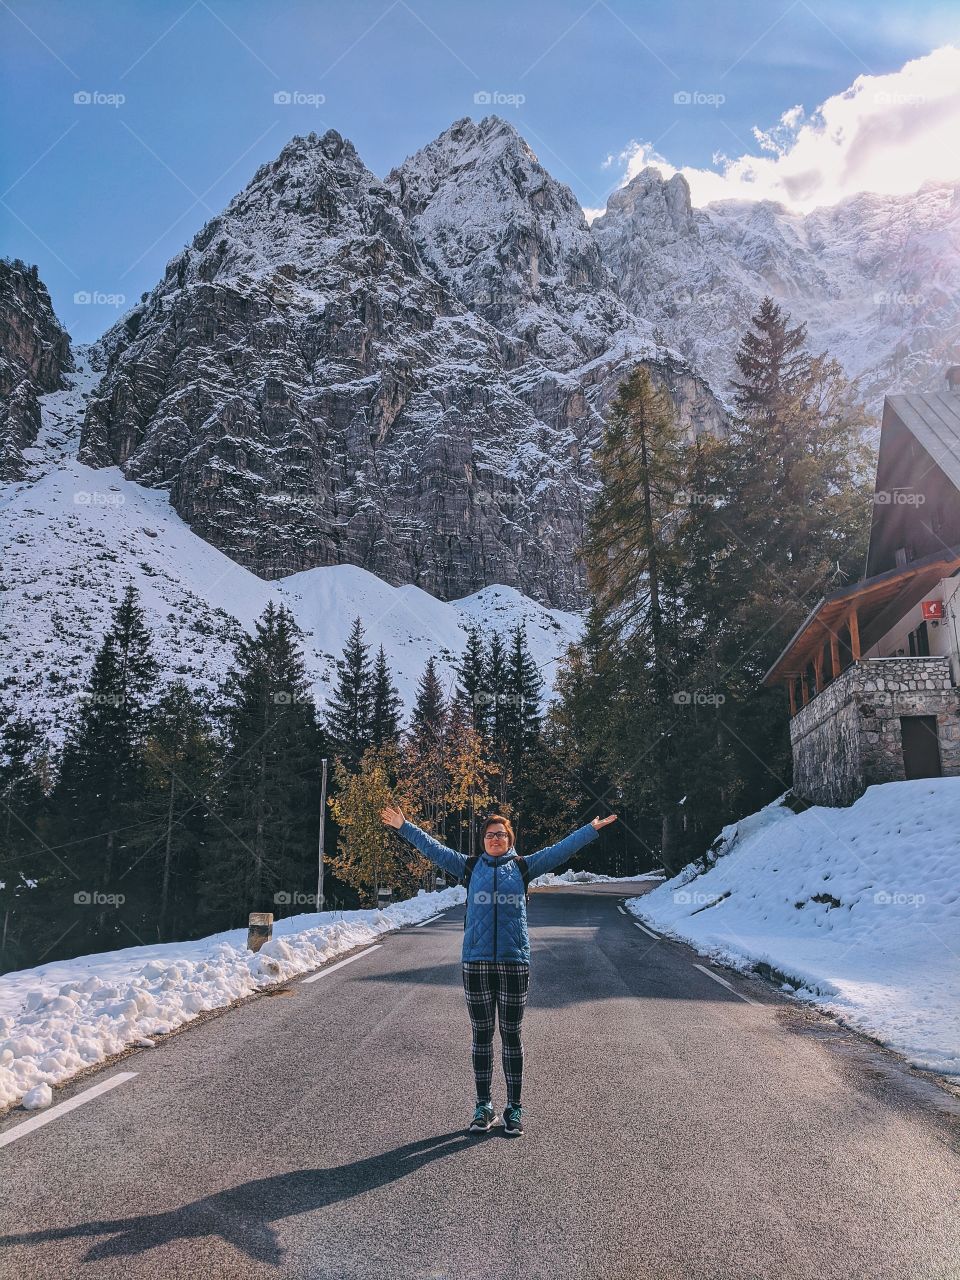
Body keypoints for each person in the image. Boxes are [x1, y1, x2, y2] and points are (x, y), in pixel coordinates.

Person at [380, 805, 618, 1137]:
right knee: (481, 1036)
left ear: (510, 840)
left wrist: (589, 830)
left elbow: (561, 850)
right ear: (483, 840)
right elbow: (433, 849)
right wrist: (405, 826)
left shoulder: (523, 867)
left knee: (510, 1035)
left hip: (514, 962)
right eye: (490, 835)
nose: (495, 839)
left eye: (501, 835)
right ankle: (483, 1106)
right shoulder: (469, 867)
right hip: (475, 962)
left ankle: (514, 1108)